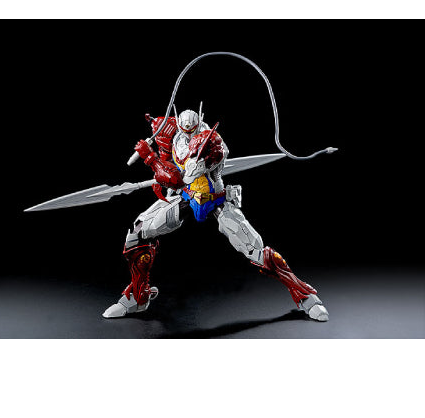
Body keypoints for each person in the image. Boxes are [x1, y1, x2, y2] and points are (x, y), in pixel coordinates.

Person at [103, 107, 329, 322]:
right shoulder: (177, 132)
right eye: (184, 129)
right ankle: (138, 296)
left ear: (199, 124)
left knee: (256, 250)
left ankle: (306, 296)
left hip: (214, 199)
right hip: (186, 197)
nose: (188, 133)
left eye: (191, 130)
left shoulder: (210, 144)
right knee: (137, 233)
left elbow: (176, 179)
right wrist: (159, 133)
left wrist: (150, 158)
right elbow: (171, 164)